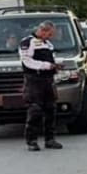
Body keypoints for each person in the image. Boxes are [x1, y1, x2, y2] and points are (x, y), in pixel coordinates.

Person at [20, 21, 63, 151]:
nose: (50, 37)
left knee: (51, 109)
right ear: (42, 30)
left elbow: (51, 61)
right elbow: (27, 61)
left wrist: (56, 66)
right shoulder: (28, 42)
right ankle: (31, 140)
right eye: (49, 34)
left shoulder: (47, 44)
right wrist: (46, 65)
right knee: (35, 110)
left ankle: (50, 139)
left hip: (48, 80)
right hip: (34, 80)